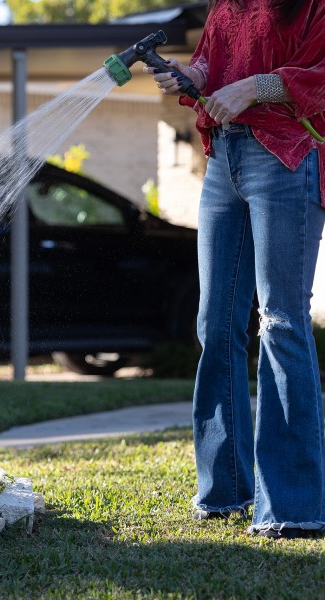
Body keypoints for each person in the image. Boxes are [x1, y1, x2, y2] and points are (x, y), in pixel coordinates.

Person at [146, 0, 325, 539]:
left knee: (280, 321)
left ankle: (292, 506)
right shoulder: (229, 3)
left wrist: (256, 87)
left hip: (286, 156)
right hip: (224, 160)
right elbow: (213, 61)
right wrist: (190, 74)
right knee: (216, 323)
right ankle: (224, 489)